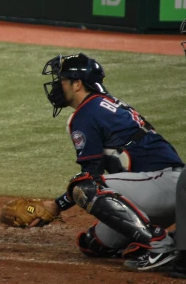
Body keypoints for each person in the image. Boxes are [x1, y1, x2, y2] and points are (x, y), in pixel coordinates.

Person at [32, 54, 182, 271]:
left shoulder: (86, 113)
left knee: (83, 187)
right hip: (163, 190)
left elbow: (90, 177)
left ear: (77, 84)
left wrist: (56, 206)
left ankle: (159, 245)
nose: (56, 87)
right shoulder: (103, 105)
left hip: (163, 184)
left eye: (61, 81)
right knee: (93, 244)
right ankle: (173, 241)